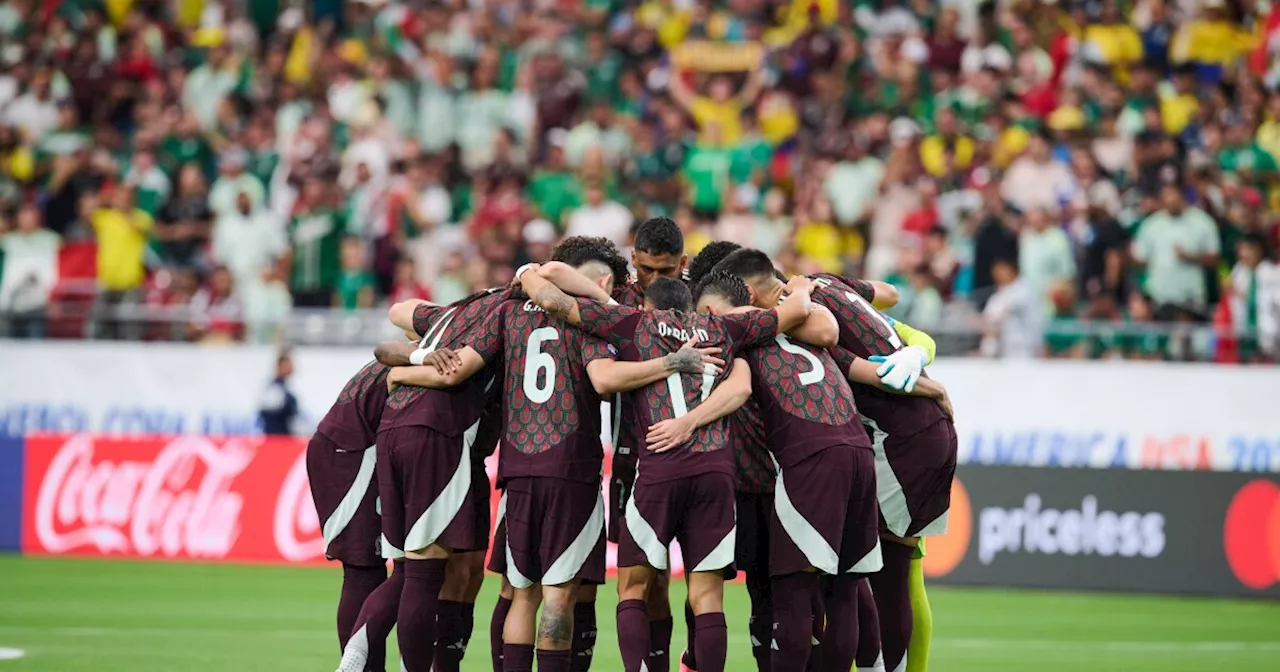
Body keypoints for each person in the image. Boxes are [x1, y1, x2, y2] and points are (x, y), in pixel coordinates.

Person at [389, 237, 725, 672]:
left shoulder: (505, 310)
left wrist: (405, 367)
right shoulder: (589, 323)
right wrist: (673, 362)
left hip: (516, 470)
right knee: (562, 594)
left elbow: (453, 361)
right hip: (572, 467)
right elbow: (604, 380)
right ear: (601, 280)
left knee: (518, 592)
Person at [518, 262, 832, 672]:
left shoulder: (632, 322)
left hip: (660, 466)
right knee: (708, 596)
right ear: (691, 305)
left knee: (633, 588)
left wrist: (526, 272)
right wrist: (801, 287)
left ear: (648, 304)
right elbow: (793, 314)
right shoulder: (722, 331)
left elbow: (551, 299)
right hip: (717, 471)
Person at [711, 248, 956, 672]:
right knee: (877, 574)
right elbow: (889, 294)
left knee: (876, 575)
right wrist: (925, 371)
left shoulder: (801, 317)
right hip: (916, 435)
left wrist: (925, 386)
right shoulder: (827, 281)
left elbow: (856, 363)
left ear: (749, 293)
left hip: (895, 442)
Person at [534, 215, 689, 671]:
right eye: (647, 270)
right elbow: (551, 275)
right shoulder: (617, 298)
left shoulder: (695, 301)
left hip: (695, 448)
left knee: (687, 582)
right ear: (632, 261)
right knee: (634, 579)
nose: (655, 281)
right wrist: (527, 272)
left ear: (684, 264)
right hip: (628, 453)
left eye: (667, 272)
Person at [305, 357, 399, 670]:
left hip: (342, 448)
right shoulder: (412, 362)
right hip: (350, 454)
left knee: (367, 570)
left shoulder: (400, 356)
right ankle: (356, 664)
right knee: (363, 569)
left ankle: (365, 666)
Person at [259, 352, 298, 436]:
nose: (291, 368)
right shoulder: (274, 388)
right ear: (279, 367)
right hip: (277, 437)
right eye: (287, 365)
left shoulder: (286, 386)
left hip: (285, 435)